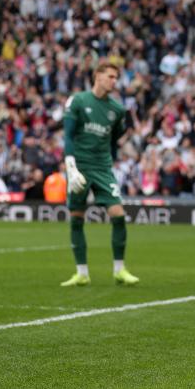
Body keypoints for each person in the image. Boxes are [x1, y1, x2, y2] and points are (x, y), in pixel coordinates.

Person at [60, 61, 139, 287]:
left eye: (116, 77)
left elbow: (114, 141)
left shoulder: (117, 109)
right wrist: (70, 167)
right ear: (97, 76)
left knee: (118, 214)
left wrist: (110, 164)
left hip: (102, 168)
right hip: (79, 167)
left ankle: (119, 270)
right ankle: (81, 272)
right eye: (110, 76)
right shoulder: (78, 100)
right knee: (76, 218)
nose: (114, 81)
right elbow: (67, 136)